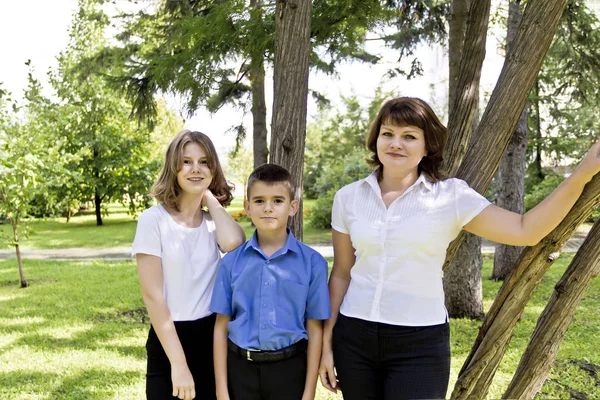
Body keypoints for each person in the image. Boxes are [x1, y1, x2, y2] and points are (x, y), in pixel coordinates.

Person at [318, 97, 600, 400]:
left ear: (428, 147)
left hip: (419, 344)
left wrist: (582, 173)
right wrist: (326, 345)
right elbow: (342, 275)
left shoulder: (450, 197)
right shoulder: (348, 198)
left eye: (409, 136)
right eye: (388, 134)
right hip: (353, 338)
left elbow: (524, 230)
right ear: (376, 140)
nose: (395, 143)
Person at [132, 129, 246, 400]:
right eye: (186, 161)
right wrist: (179, 364)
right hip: (170, 339)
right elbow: (153, 297)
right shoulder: (153, 221)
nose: (196, 168)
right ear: (173, 167)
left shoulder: (212, 223)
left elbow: (233, 241)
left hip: (212, 338)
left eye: (204, 162)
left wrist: (207, 197)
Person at [210, 163, 331, 400]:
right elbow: (221, 326)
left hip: (290, 370)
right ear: (247, 207)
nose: (268, 208)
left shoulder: (313, 264)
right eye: (259, 201)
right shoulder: (230, 263)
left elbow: (314, 328)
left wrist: (308, 393)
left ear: (293, 207)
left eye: (277, 200)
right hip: (240, 369)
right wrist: (222, 391)